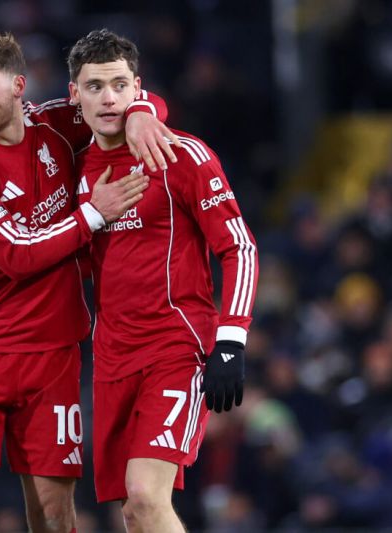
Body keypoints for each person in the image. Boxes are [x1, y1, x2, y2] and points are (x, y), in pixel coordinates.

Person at [0, 30, 177, 533]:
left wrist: (143, 112)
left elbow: (115, 99)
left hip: (53, 354)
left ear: (19, 85)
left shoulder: (58, 125)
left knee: (54, 516)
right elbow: (18, 256)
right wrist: (92, 214)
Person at [68, 29, 258, 532]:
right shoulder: (72, 169)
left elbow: (239, 246)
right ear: (73, 95)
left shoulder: (181, 155)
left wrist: (231, 341)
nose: (108, 97)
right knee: (133, 511)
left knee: (147, 499)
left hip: (177, 344)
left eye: (120, 85)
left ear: (138, 89)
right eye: (94, 86)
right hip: (112, 356)